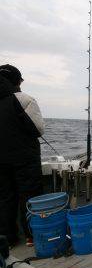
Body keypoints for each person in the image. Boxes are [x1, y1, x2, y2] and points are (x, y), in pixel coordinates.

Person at [0, 64, 45, 247]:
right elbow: (38, 129)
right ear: (18, 81)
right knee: (30, 195)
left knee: (4, 198)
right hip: (25, 159)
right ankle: (31, 236)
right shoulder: (24, 99)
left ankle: (7, 239)